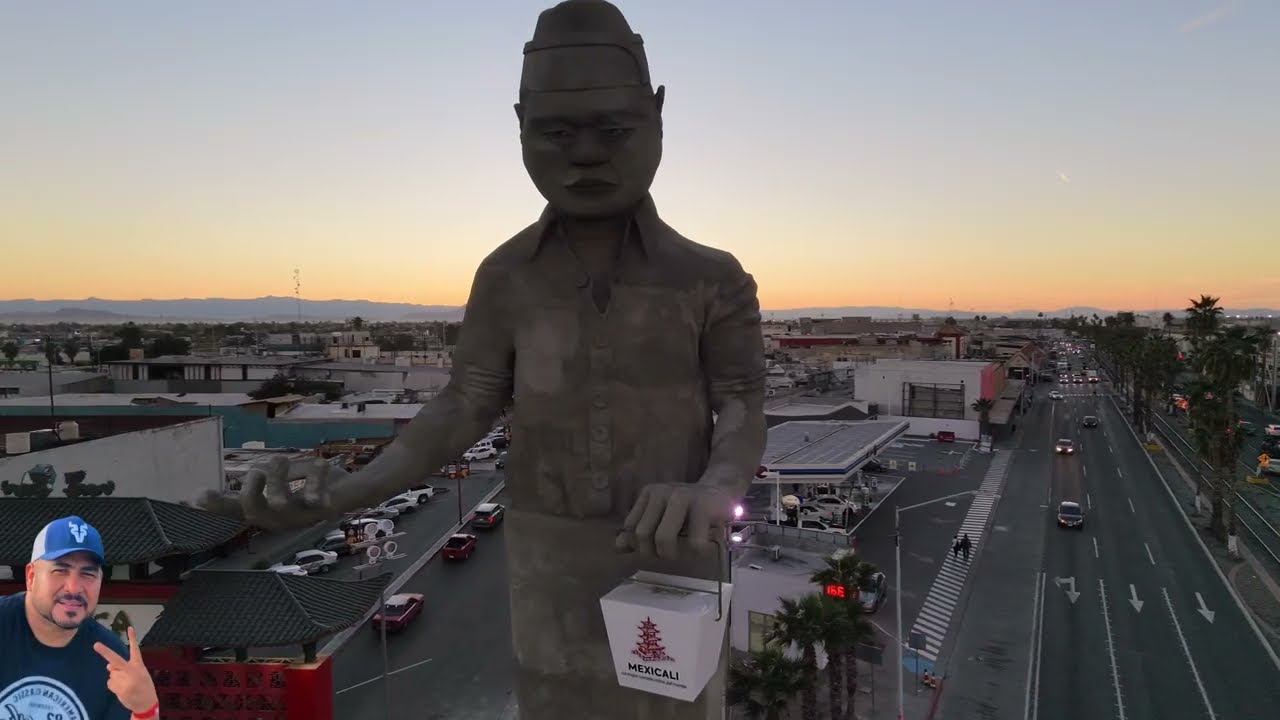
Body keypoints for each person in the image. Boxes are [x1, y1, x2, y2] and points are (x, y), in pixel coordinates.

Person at [0, 516, 160, 720]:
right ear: (31, 577)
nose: (74, 587)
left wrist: (145, 710)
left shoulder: (113, 661)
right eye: (60, 570)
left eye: (88, 574)